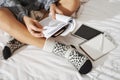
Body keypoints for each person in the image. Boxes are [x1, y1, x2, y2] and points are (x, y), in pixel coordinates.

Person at [0, 0, 92, 74]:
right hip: (14, 11)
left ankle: (22, 38)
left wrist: (50, 4)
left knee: (73, 2)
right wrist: (23, 17)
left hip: (40, 7)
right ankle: (63, 50)